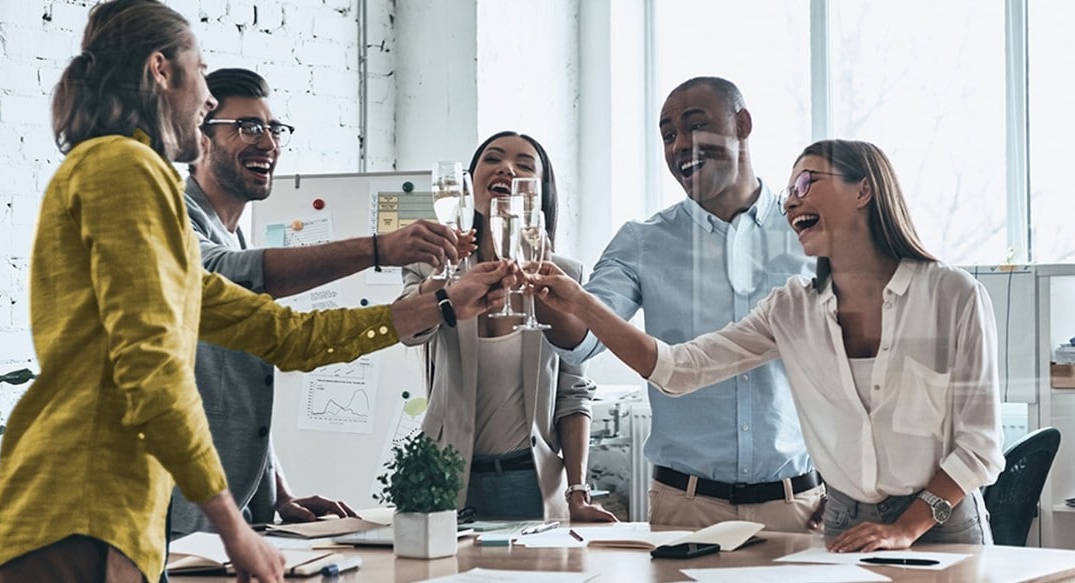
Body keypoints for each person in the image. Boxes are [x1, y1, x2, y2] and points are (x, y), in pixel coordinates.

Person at [0, 2, 513, 582]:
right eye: (200, 70)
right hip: (77, 509)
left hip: (105, 517)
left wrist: (438, 306)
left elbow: (283, 336)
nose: (207, 99)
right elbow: (151, 366)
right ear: (161, 70)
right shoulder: (124, 167)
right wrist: (233, 528)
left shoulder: (122, 175)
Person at [532, 138, 1005, 551]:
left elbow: (980, 445)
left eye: (806, 183)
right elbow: (677, 371)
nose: (791, 202)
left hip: (939, 520)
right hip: (843, 521)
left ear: (864, 189)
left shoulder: (952, 295)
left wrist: (905, 527)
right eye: (788, 194)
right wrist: (582, 302)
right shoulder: (792, 308)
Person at [168, 67, 470, 537]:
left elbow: (234, 387)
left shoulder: (232, 232)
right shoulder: (174, 219)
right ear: (200, 137)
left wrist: (276, 490)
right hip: (180, 517)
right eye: (248, 127)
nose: (268, 143)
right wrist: (378, 249)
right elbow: (226, 277)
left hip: (241, 509)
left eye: (273, 129)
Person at [540, 77, 822, 531]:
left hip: (799, 506)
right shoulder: (642, 242)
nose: (680, 145)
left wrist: (845, 485)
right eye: (668, 135)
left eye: (695, 126)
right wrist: (540, 288)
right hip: (684, 507)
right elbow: (581, 341)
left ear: (743, 124)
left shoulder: (809, 234)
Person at [398, 131, 616, 522]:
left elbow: (574, 393)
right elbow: (408, 331)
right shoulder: (431, 266)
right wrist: (445, 280)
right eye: (493, 159)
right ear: (470, 180)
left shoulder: (563, 276)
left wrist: (578, 491)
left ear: (539, 192)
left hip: (529, 480)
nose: (506, 168)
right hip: (447, 476)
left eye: (524, 165)